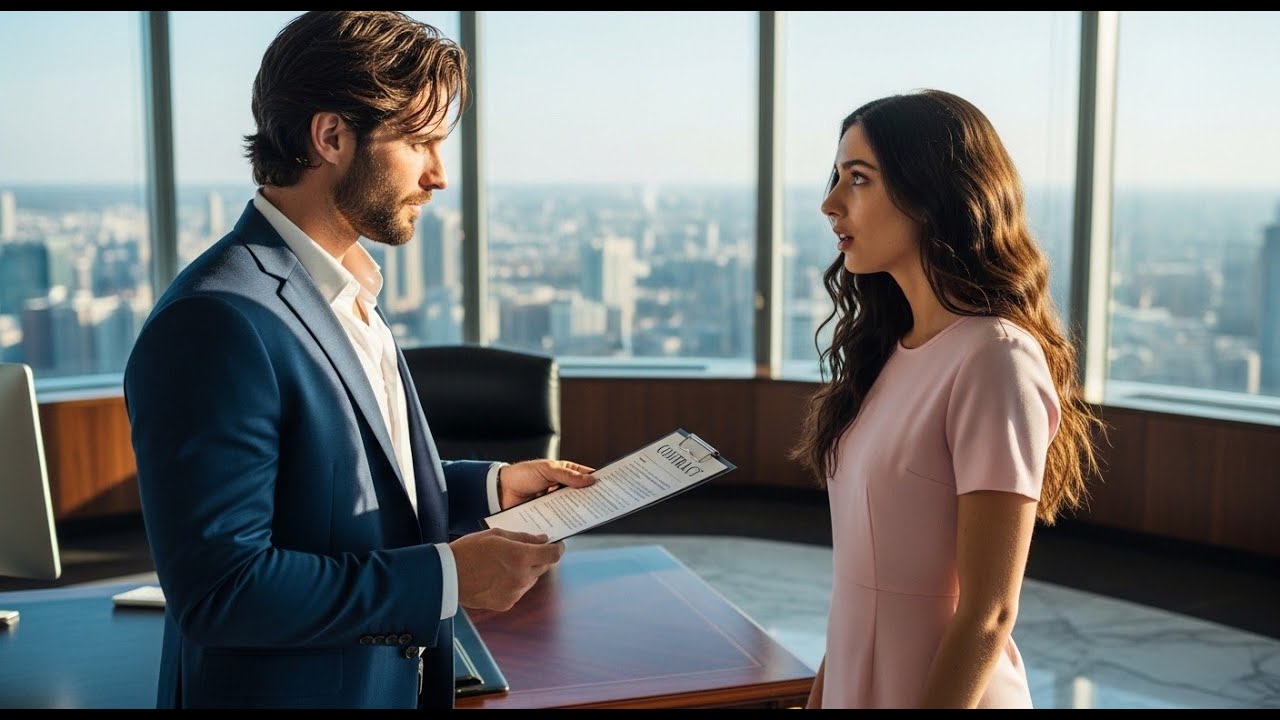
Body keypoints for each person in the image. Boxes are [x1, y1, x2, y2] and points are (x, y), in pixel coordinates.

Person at [123, 11, 596, 710]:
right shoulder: (217, 322)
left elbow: (340, 490)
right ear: (332, 136)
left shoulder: (344, 291)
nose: (438, 176)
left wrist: (492, 487)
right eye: (420, 142)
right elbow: (222, 592)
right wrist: (447, 579)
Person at [792, 89, 1104, 709]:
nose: (831, 203)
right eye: (838, 177)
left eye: (859, 178)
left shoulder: (995, 359)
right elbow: (860, 593)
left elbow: (990, 613)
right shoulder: (890, 351)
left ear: (932, 194)